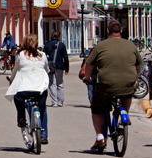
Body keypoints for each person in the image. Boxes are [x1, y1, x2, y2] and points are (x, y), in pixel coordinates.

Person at [83, 21, 142, 151]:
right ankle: (124, 115)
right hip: (127, 83)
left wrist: (87, 78)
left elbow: (89, 65)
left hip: (106, 85)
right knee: (127, 93)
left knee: (97, 108)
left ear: (108, 32)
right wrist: (135, 79)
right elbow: (138, 65)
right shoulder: (131, 45)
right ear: (121, 32)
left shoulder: (100, 46)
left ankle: (100, 138)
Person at [6, 33, 50, 145]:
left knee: (18, 98)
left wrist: (10, 79)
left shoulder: (20, 55)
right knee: (43, 108)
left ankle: (21, 117)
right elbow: (47, 69)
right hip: (40, 90)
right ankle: (43, 135)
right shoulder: (43, 55)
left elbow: (15, 70)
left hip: (24, 90)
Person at [43, 30, 69, 107]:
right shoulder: (61, 45)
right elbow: (65, 57)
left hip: (50, 66)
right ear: (58, 36)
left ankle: (54, 102)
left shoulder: (47, 45)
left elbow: (44, 56)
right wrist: (67, 68)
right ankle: (60, 102)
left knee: (52, 84)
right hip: (60, 66)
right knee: (60, 83)